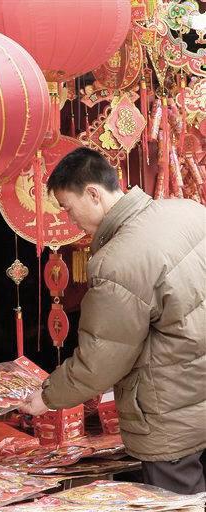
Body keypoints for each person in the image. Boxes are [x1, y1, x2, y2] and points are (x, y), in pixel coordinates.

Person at [21, 147, 206, 494]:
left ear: (93, 193)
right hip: (197, 393)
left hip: (170, 413)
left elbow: (102, 359)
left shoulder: (118, 260)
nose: (70, 220)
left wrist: (46, 397)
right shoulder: (189, 212)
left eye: (68, 208)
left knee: (178, 502)